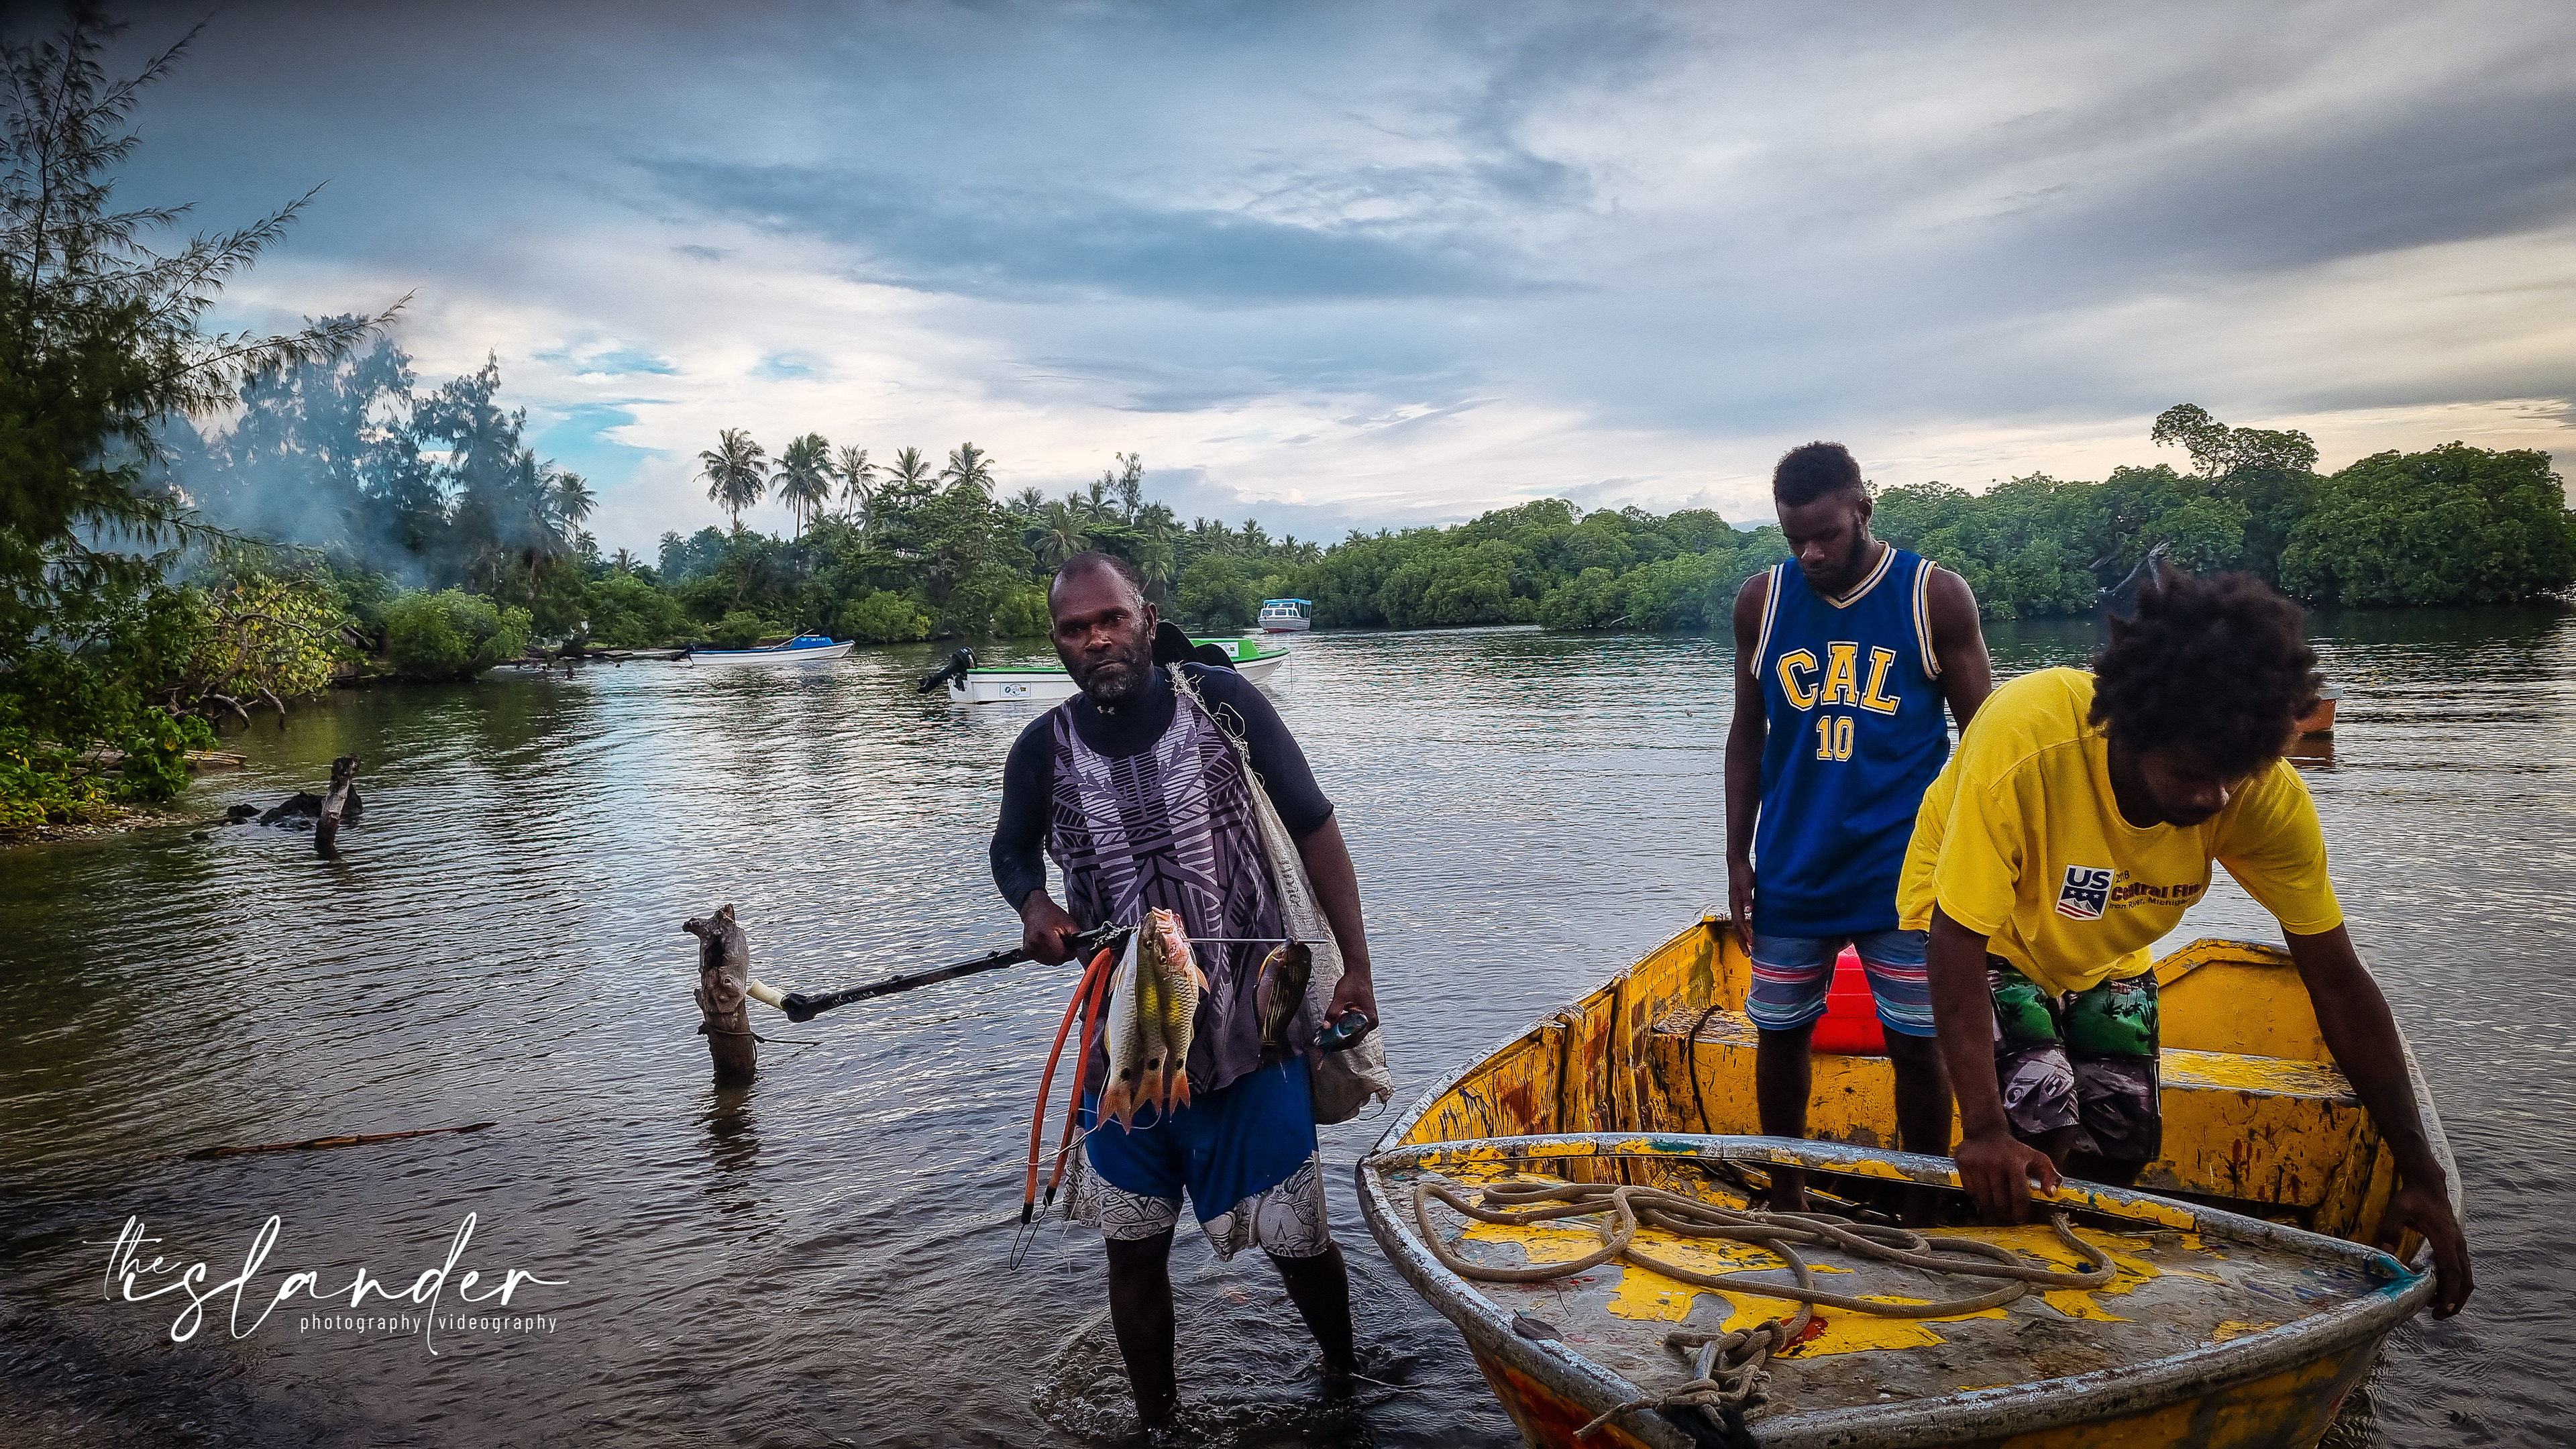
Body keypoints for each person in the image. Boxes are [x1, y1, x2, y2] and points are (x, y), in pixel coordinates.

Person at [1898, 564, 2473, 1317]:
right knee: (2042, 1116)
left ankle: (2076, 1281)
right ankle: (1998, 1291)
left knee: (2123, 1134)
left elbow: (2336, 979)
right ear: (2132, 730)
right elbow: (1956, 941)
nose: (2215, 800)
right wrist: (1981, 1130)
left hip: (2105, 945)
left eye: (2234, 777)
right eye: (2193, 776)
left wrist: (2420, 1171)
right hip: (1981, 931)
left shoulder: (2258, 790)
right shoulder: (2027, 738)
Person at [990, 551, 1379, 1427]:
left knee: (1296, 1240)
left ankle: (1349, 1381)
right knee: (1132, 1255)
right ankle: (1160, 1423)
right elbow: (1010, 850)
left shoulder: (1226, 705)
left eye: (1111, 620)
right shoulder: (1039, 751)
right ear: (1057, 644)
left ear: (1148, 618)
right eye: (1074, 629)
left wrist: (1356, 965)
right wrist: (1034, 905)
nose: (1096, 640)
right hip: (1126, 1049)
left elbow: (1315, 825)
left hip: (1253, 1039)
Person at [1724, 442, 1992, 1218]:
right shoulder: (1763, 602)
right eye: (1794, 538)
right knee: (1780, 1034)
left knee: (1917, 1041)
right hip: (1793, 862)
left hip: (1903, 868)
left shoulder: (1932, 596)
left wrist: (1984, 864)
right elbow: (1748, 736)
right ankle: (1789, 1194)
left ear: (1862, 512)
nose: (1810, 553)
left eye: (1826, 536)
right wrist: (1737, 859)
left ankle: (1919, 1200)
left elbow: (1986, 742)